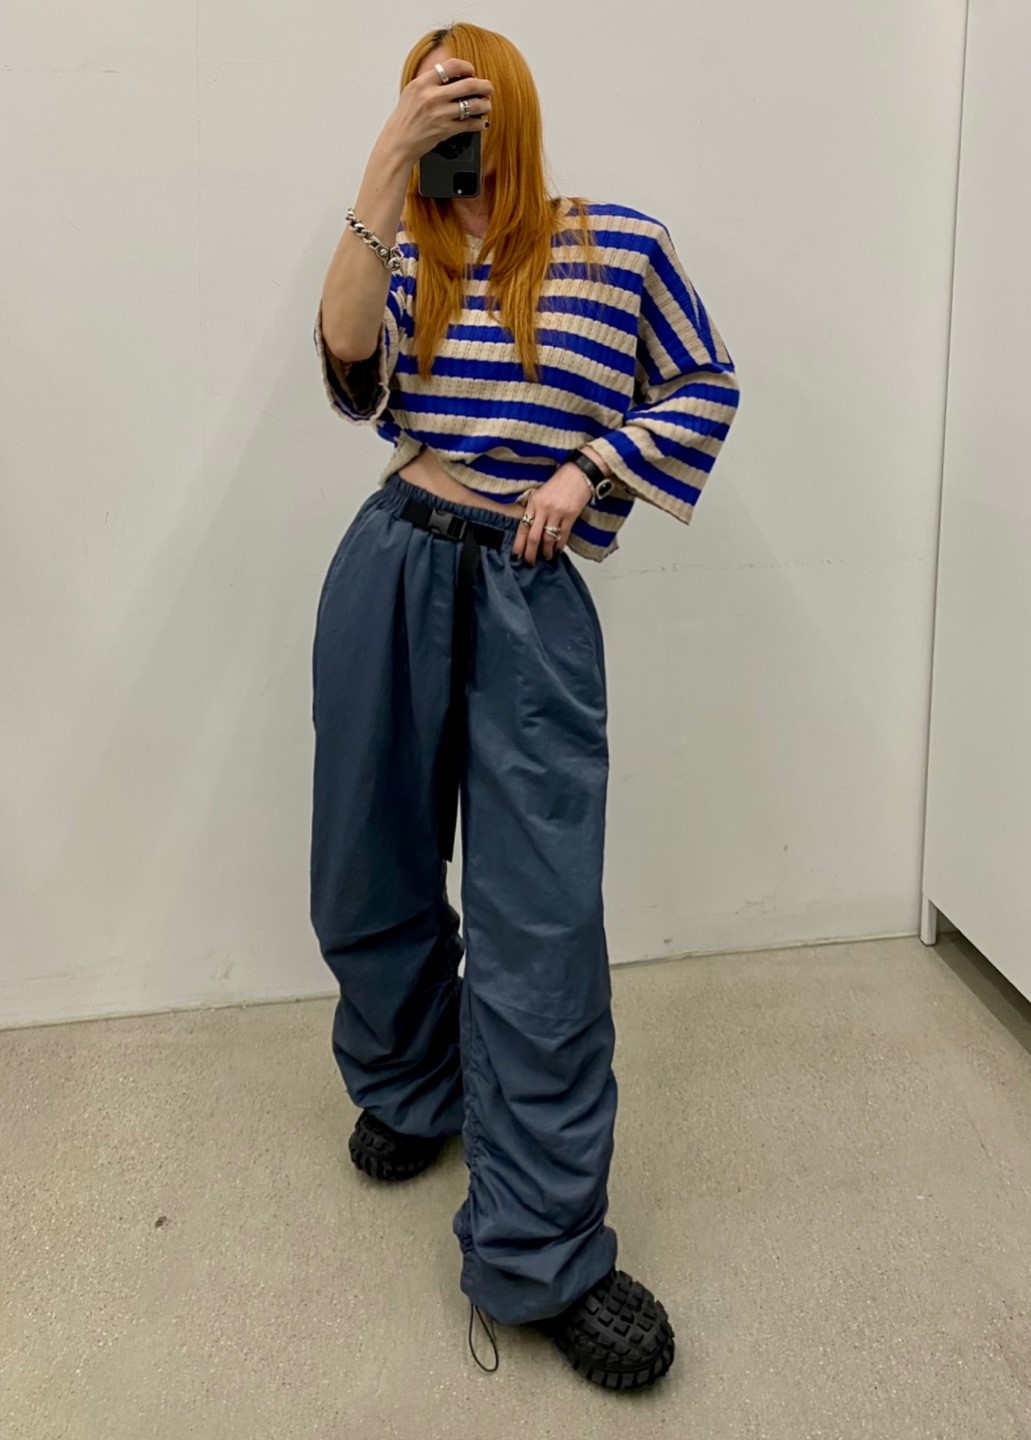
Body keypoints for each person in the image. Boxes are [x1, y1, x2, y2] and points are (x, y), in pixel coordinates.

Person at [309, 22, 740, 1392]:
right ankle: (413, 1085)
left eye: (468, 106)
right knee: (364, 864)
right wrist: (384, 168)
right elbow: (346, 370)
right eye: (429, 107)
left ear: (517, 110)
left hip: (530, 590)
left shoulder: (617, 247)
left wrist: (592, 467)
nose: (455, 131)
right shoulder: (404, 249)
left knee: (538, 923)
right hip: (392, 563)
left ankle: (545, 1249)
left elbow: (707, 380)